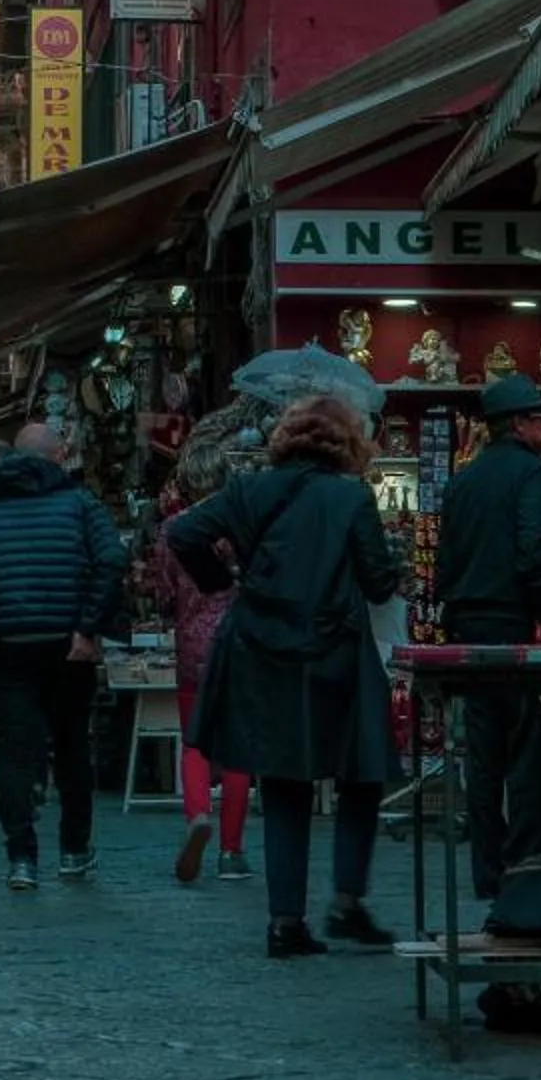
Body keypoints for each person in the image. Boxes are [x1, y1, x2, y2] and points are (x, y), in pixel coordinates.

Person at [167, 394, 400, 959]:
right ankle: (347, 899)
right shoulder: (350, 497)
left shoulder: (249, 491)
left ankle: (284, 920)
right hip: (335, 652)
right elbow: (378, 582)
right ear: (346, 443)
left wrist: (223, 582)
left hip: (264, 649)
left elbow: (183, 534)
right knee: (360, 776)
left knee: (285, 783)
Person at [0, 423, 126, 893]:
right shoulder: (80, 504)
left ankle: (22, 858)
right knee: (73, 747)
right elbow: (112, 559)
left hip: (7, 644)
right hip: (67, 645)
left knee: (14, 752)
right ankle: (74, 851)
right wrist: (88, 626)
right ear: (58, 456)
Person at [435, 372, 541, 903]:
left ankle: (487, 872)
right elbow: (536, 545)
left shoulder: (462, 481)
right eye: (539, 418)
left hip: (468, 623)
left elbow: (445, 558)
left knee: (483, 752)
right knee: (529, 749)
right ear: (517, 424)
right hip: (512, 622)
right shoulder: (532, 474)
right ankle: (526, 858)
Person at [154, 516, 252, 884]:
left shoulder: (173, 530)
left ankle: (197, 813)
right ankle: (231, 851)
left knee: (194, 741)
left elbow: (164, 595)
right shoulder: (240, 521)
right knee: (236, 748)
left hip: (192, 644)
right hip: (236, 642)